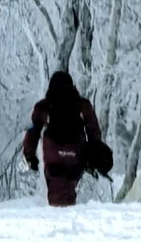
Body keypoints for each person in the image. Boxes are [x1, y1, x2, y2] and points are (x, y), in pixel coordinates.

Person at [22, 70, 107, 207]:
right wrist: (94, 155)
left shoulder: (44, 106)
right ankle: (68, 216)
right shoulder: (81, 105)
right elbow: (93, 130)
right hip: (75, 154)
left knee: (56, 192)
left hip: (53, 154)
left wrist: (29, 155)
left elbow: (33, 131)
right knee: (68, 188)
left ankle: (60, 220)